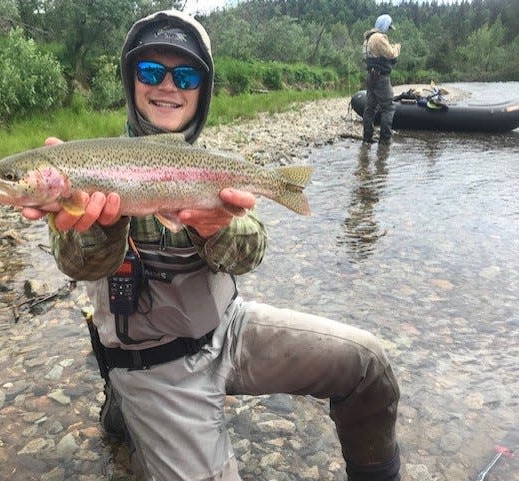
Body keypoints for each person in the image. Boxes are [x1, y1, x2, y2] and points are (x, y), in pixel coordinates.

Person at [23, 9, 401, 481]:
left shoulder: (208, 165)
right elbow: (77, 265)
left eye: (184, 74)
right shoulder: (86, 168)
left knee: (367, 363)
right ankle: (124, 406)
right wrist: (100, 225)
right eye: (149, 71)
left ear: (202, 91)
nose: (167, 85)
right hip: (153, 365)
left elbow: (254, 249)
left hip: (229, 331)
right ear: (130, 81)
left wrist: (216, 228)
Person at [362, 14, 401, 145]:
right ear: (384, 25)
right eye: (388, 27)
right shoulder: (379, 38)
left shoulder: (367, 39)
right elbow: (391, 54)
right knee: (388, 108)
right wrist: (397, 48)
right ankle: (384, 141)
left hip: (370, 76)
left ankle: (367, 138)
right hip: (380, 78)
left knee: (370, 108)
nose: (388, 30)